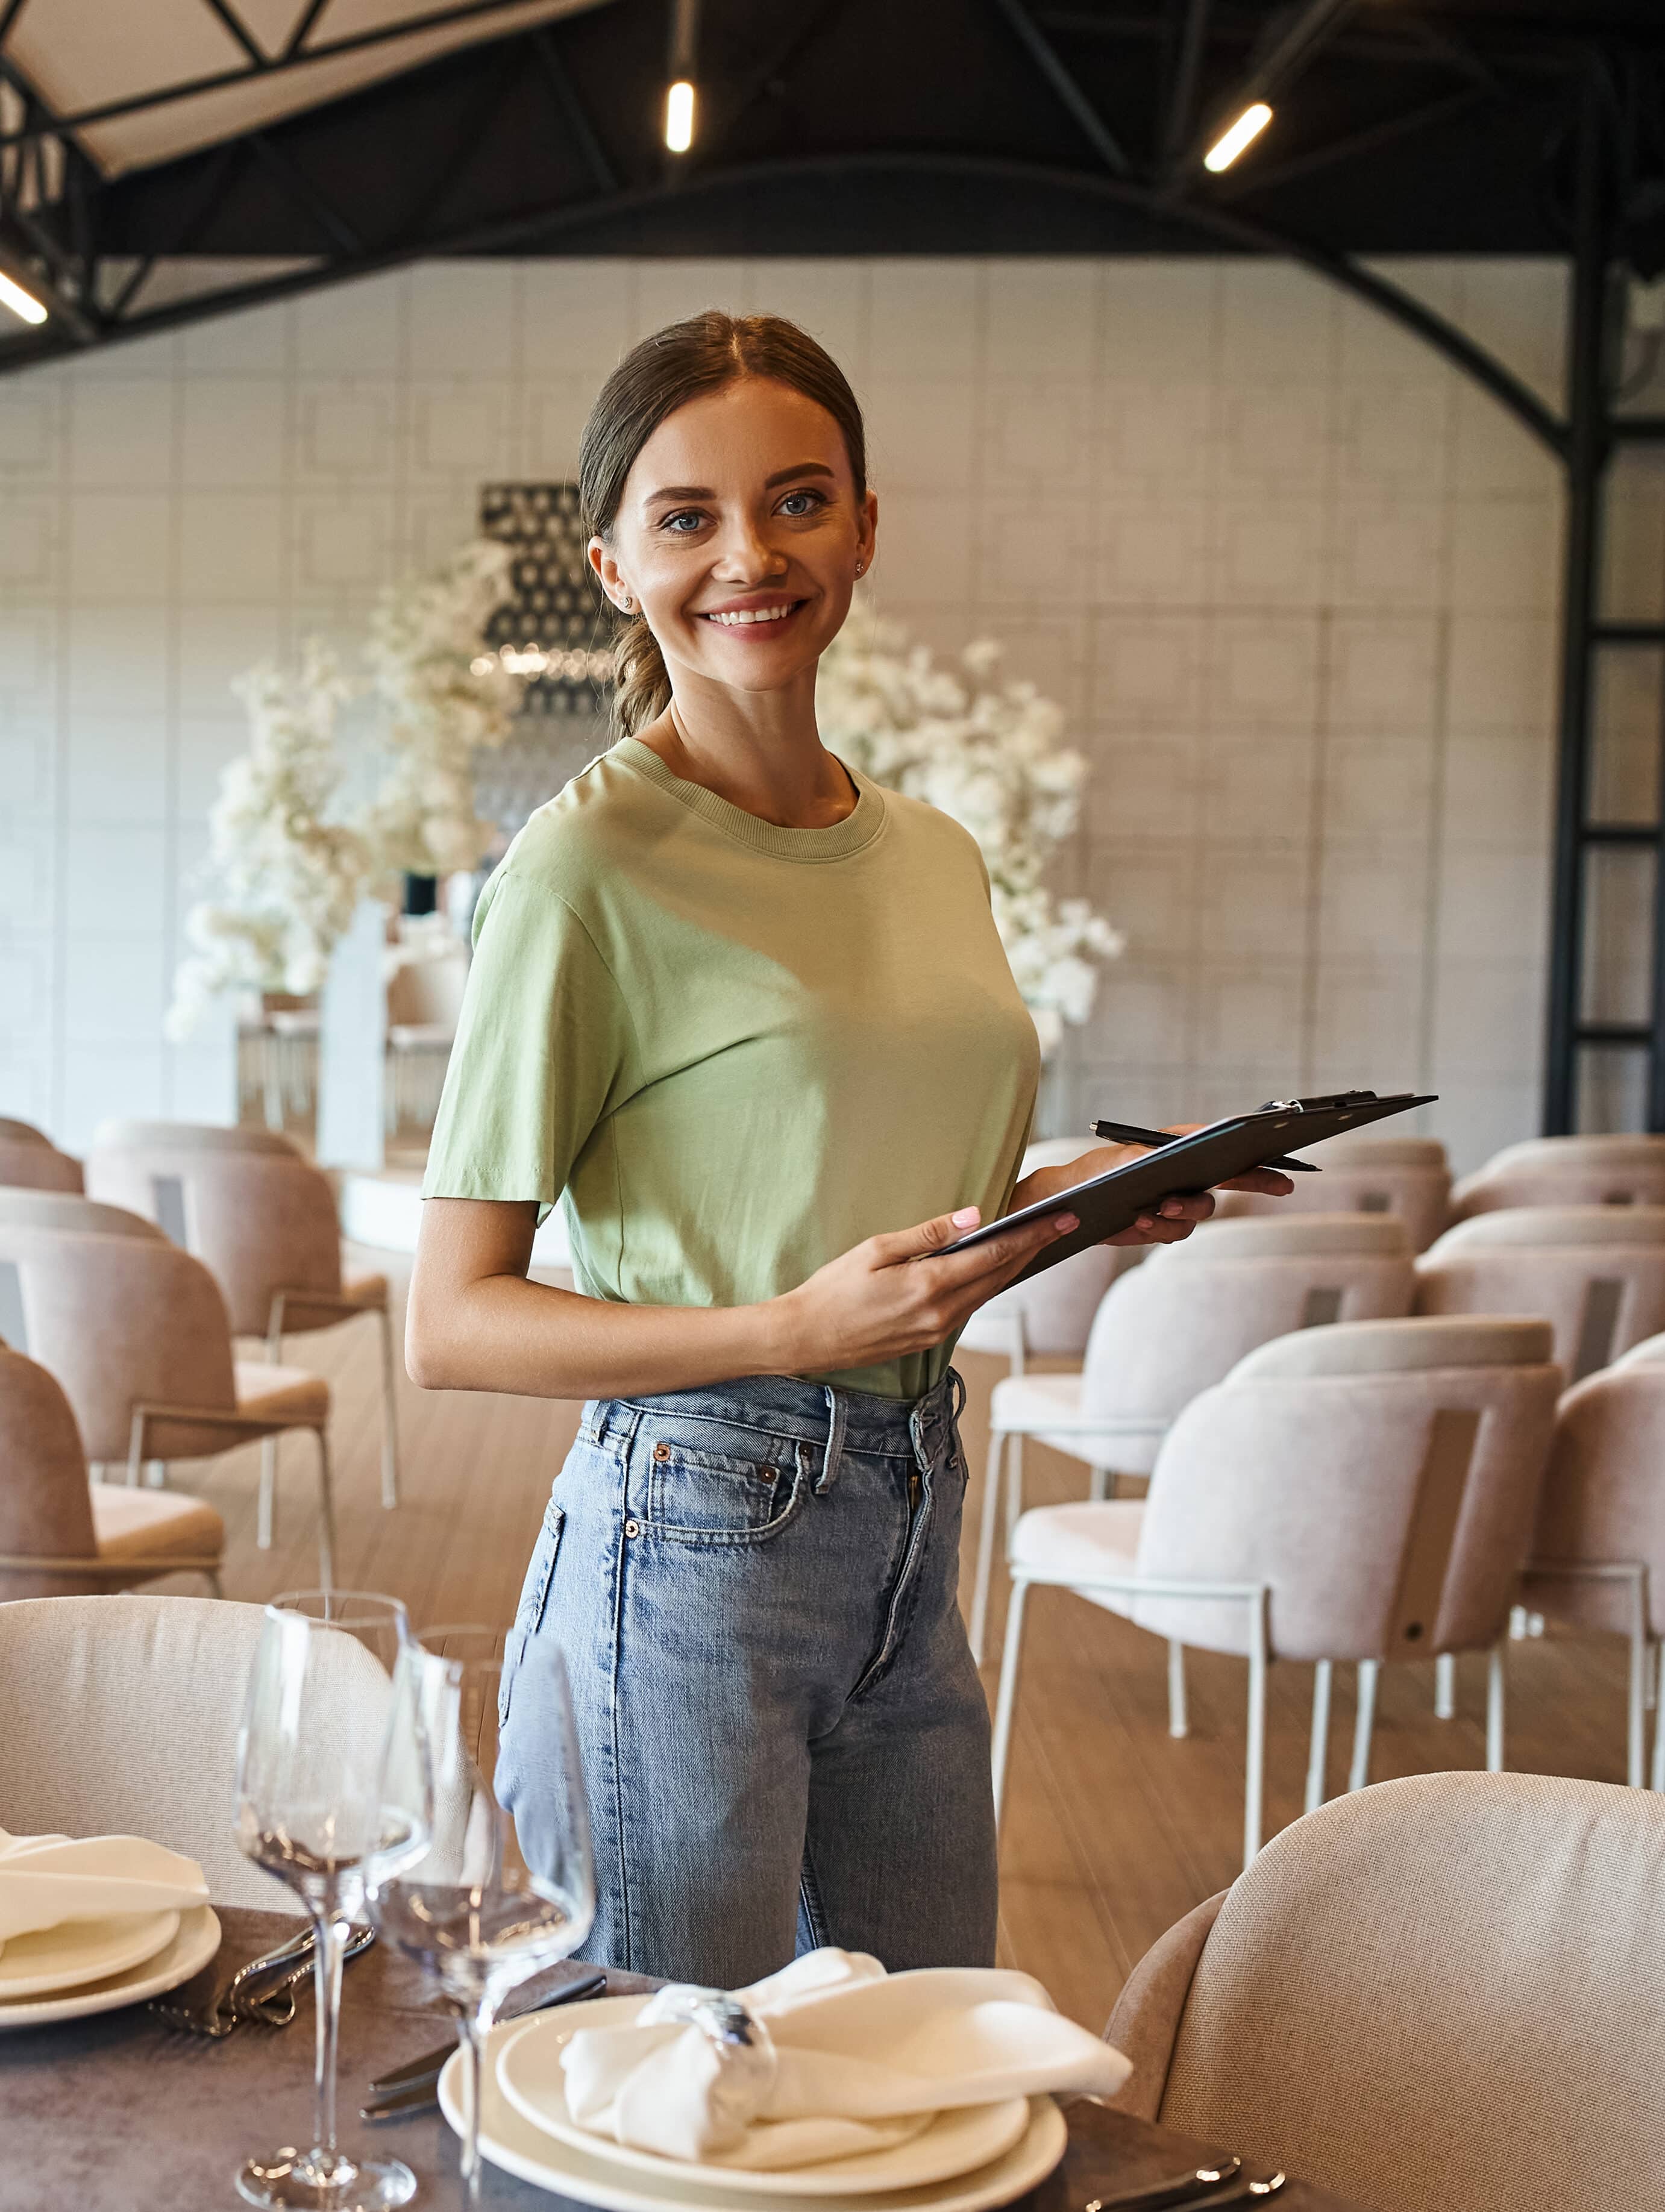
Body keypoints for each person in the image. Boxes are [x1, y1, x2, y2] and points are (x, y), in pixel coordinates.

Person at [407, 310, 1289, 1986]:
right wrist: (787, 1333)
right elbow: (452, 1321)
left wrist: (1087, 1201)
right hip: (691, 1532)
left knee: (922, 2062)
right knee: (676, 2100)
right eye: (687, 518)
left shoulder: (934, 856)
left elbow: (889, 1222)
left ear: (864, 527)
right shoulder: (583, 872)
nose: (750, 554)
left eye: (798, 501)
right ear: (611, 564)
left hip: (906, 1515)